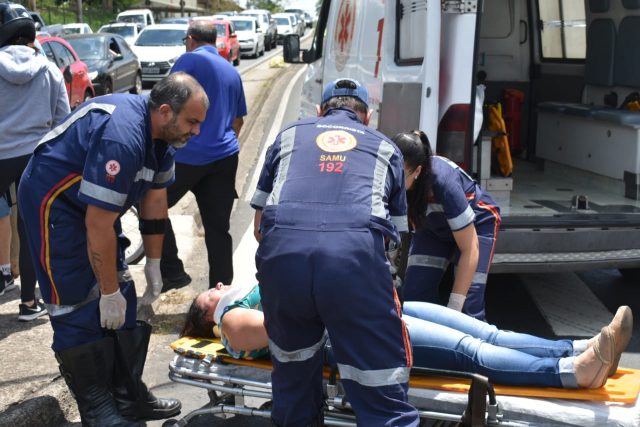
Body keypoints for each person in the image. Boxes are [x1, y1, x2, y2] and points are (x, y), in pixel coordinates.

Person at [18, 72, 209, 426]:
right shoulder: (122, 137)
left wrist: (154, 263)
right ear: (165, 112)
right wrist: (106, 293)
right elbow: (97, 225)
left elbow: (155, 199)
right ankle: (97, 408)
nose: (196, 131)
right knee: (75, 297)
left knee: (124, 290)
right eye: (192, 121)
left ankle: (127, 394)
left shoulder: (165, 138)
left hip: (97, 207)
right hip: (55, 202)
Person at [251, 78, 419, 426]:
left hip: (284, 265)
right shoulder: (386, 148)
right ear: (367, 117)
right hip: (353, 264)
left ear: (319, 111)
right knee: (380, 390)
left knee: (294, 382)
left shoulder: (288, 136)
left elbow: (259, 227)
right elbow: (396, 241)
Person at [182, 282, 634, 390]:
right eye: (210, 292)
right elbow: (296, 326)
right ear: (208, 314)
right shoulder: (231, 324)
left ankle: (580, 348)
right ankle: (572, 372)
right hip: (353, 333)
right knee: (470, 352)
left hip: (366, 309)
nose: (218, 284)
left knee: (487, 333)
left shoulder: (247, 297)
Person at [161, 19, 247, 290]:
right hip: (224, 158)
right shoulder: (231, 70)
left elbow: (165, 104)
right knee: (218, 229)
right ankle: (221, 294)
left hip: (186, 156)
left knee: (151, 205)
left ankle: (173, 271)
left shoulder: (189, 60)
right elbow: (238, 121)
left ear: (190, 40)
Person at [0, 2, 70, 319]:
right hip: (35, 156)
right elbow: (63, 120)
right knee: (30, 229)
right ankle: (29, 303)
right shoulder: (49, 69)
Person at [391, 130, 502, 320]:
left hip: (477, 222)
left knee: (467, 309)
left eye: (400, 176)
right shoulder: (395, 178)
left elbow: (470, 247)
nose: (394, 181)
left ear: (418, 171)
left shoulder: (442, 182)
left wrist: (454, 309)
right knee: (414, 298)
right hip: (433, 228)